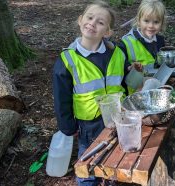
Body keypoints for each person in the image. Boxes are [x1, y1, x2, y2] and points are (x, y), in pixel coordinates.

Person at [52, 1, 141, 185]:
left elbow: (123, 81)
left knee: (113, 160)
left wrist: (134, 72)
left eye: (100, 22)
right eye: (90, 17)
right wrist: (68, 127)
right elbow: (62, 99)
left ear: (107, 32)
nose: (92, 23)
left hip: (117, 120)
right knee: (88, 165)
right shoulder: (68, 60)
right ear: (80, 20)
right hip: (88, 125)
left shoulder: (117, 53)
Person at [119, 0, 167, 72]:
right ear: (139, 20)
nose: (151, 26)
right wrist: (129, 67)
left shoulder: (160, 40)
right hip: (135, 80)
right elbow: (120, 64)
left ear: (162, 23)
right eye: (146, 21)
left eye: (156, 22)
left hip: (157, 78)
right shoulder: (126, 42)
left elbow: (160, 63)